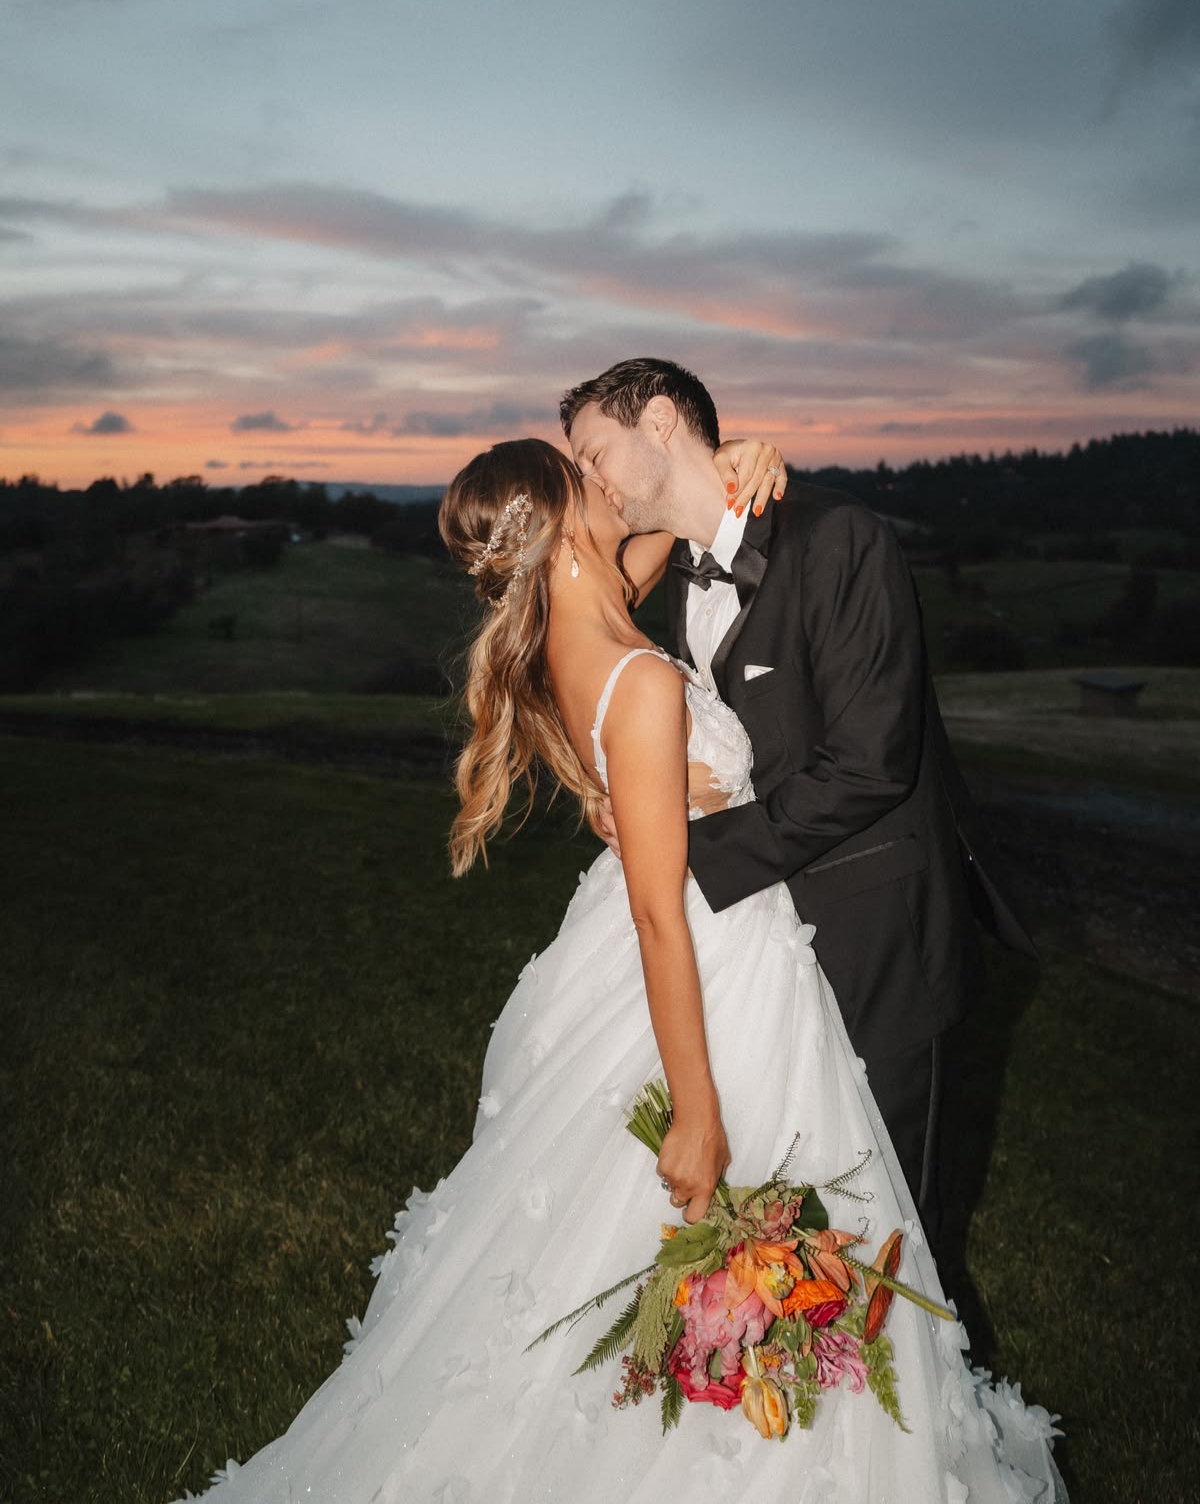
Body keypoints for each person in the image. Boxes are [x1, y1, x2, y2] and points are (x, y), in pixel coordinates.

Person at [174, 434, 1064, 1503]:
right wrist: (695, 1108)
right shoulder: (634, 674)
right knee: (733, 1212)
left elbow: (665, 531)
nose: (608, 487)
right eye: (586, 478)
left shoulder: (578, 613)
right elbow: (656, 917)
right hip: (704, 952)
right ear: (563, 528)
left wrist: (735, 457)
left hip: (730, 930)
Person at [562, 357, 1036, 1252]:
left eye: (594, 455)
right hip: (767, 954)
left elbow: (870, 765)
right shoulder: (677, 576)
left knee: (894, 1240)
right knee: (794, 1236)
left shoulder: (840, 539)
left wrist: (692, 855)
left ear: (658, 423)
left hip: (876, 941)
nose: (591, 481)